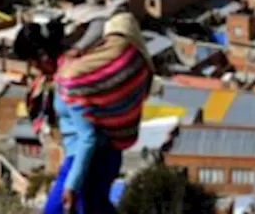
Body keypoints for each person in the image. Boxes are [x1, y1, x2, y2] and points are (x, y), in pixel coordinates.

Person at [14, 14, 153, 214]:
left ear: (43, 57)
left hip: (87, 162)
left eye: (32, 63)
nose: (33, 70)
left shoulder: (70, 81)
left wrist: (72, 184)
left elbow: (88, 137)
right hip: (106, 156)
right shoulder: (79, 63)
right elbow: (99, 23)